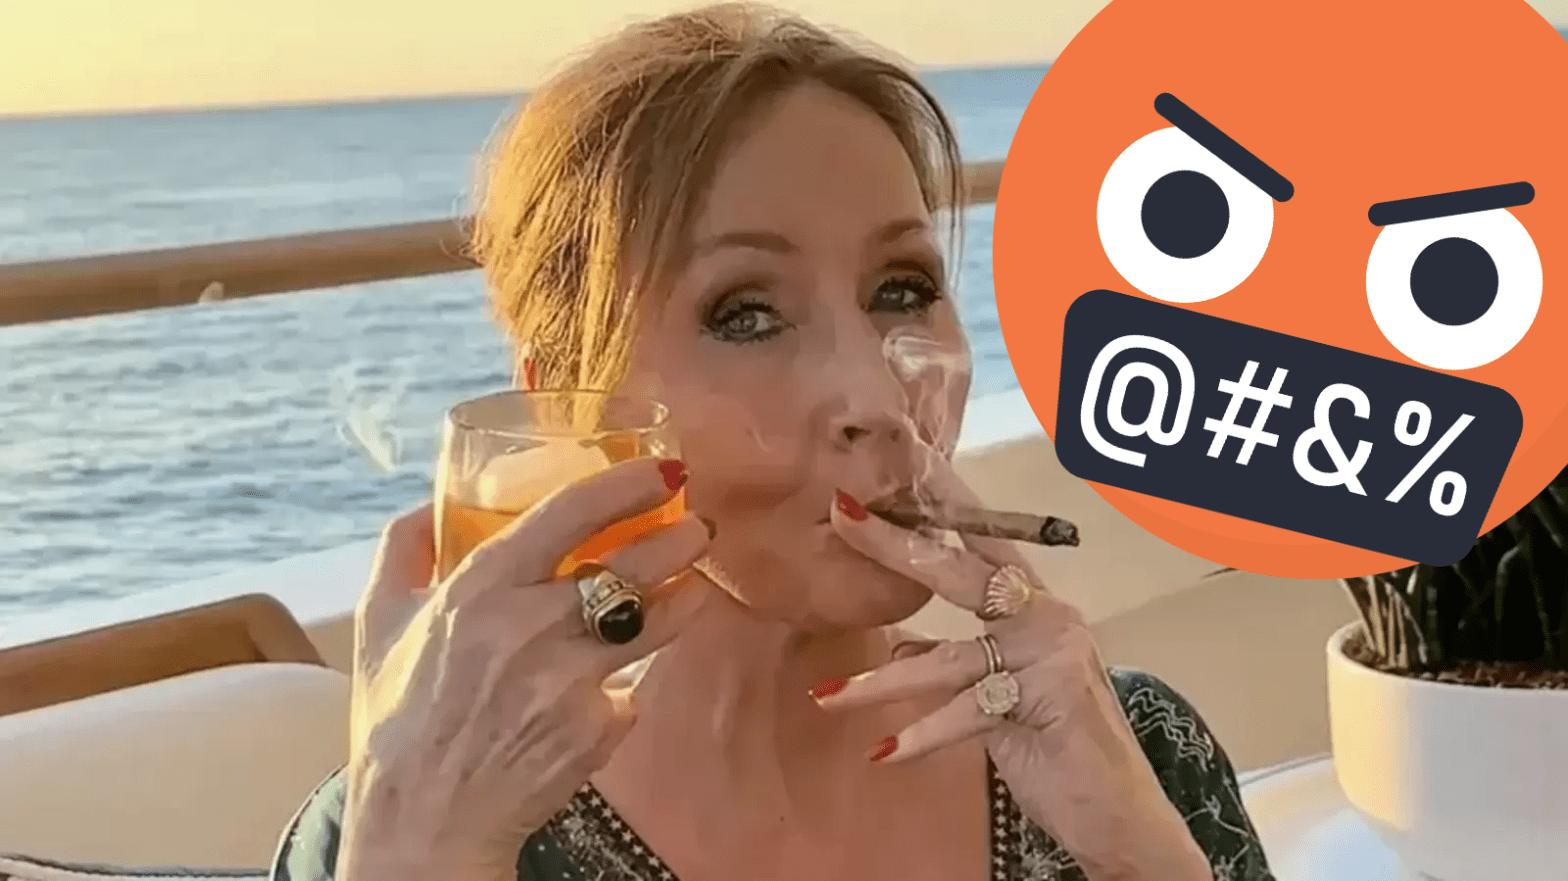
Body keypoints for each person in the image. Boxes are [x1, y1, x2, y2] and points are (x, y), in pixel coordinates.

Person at [271, 4, 1276, 880]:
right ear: (570, 403)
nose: (877, 396)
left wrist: (1140, 856)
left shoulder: (1132, 753)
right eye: (745, 314)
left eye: (901, 291)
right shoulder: (425, 821)